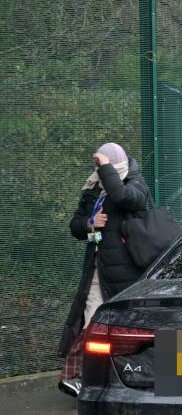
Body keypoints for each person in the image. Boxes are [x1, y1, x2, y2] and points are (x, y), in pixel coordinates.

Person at [57, 143, 152, 397]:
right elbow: (75, 226)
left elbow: (124, 197)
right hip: (98, 269)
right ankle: (75, 376)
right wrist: (90, 223)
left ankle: (132, 376)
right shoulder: (93, 188)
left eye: (102, 163)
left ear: (113, 163)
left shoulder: (135, 182)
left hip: (130, 270)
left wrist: (107, 169)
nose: (97, 168)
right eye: (97, 165)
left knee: (130, 325)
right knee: (92, 320)